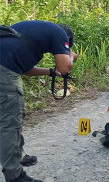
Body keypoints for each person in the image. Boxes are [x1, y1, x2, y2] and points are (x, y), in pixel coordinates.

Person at [0, 21, 79, 182]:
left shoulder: (33, 33)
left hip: (5, 65)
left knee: (9, 117)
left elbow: (26, 69)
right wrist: (71, 55)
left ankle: (17, 155)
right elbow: (65, 68)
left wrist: (51, 72)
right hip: (4, 69)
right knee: (11, 120)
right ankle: (15, 176)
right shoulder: (60, 34)